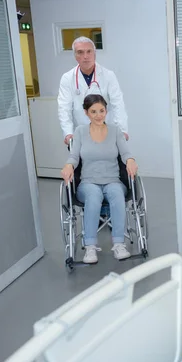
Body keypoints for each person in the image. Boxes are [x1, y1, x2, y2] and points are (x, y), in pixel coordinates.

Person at [60, 94, 138, 264]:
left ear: (106, 111)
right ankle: (90, 247)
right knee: (94, 196)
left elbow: (125, 153)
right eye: (93, 111)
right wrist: (68, 165)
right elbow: (74, 156)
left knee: (117, 194)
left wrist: (131, 160)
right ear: (86, 113)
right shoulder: (80, 131)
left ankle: (119, 244)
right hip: (88, 182)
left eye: (102, 110)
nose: (98, 115)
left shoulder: (115, 131)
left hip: (113, 180)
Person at [58, 36, 129, 146]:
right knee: (82, 162)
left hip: (106, 131)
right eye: (80, 52)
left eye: (89, 51)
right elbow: (64, 108)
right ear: (75, 56)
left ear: (94, 54)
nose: (85, 56)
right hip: (81, 133)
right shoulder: (67, 78)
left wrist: (122, 130)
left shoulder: (108, 75)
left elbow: (118, 104)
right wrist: (68, 133)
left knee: (110, 162)